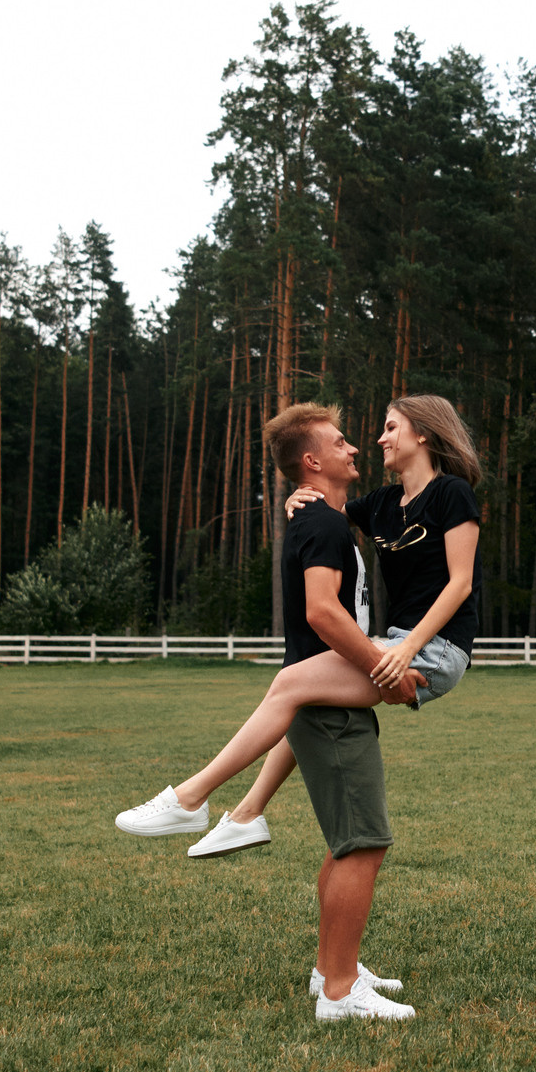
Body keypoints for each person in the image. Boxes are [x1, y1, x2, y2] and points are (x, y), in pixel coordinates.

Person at [117, 401, 418, 1020]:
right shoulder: (325, 527)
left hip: (325, 698)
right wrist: (382, 666)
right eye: (340, 442)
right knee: (362, 844)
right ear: (312, 461)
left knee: (346, 844)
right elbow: (322, 613)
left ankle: (332, 968)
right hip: (333, 707)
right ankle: (339, 994)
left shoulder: (323, 520)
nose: (354, 448)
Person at [114, 395, 481, 862]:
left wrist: (406, 649)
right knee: (302, 692)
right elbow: (328, 517)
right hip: (397, 643)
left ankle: (191, 797)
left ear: (423, 434)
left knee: (290, 682)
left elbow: (461, 583)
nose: (378, 439)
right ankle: (246, 815)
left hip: (437, 649)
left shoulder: (452, 493)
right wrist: (298, 495)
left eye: (390, 428)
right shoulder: (385, 503)